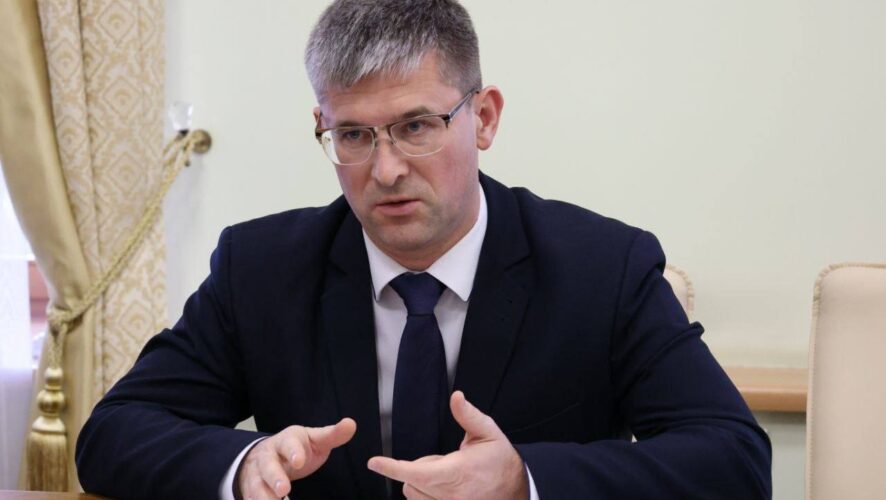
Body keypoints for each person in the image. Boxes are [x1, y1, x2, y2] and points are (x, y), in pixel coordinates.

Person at [75, 1, 772, 499]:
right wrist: (245, 461)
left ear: (484, 118)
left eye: (416, 126)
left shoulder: (602, 268)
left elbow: (734, 459)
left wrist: (524, 480)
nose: (385, 171)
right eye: (353, 135)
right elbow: (113, 434)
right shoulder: (261, 269)